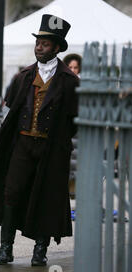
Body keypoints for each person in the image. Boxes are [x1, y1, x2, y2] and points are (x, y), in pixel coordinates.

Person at [0, 14, 79, 267]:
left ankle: (40, 250)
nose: (39, 47)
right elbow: (8, 111)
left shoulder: (69, 81)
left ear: (57, 48)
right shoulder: (23, 77)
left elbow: (75, 120)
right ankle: (6, 248)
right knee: (11, 194)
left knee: (47, 197)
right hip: (22, 145)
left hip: (51, 149)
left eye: (45, 44)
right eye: (38, 43)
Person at [63, 53, 81, 202]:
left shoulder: (83, 84)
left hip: (79, 132)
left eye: (76, 67)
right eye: (70, 67)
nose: (73, 70)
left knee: (78, 167)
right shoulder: (62, 82)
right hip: (66, 131)